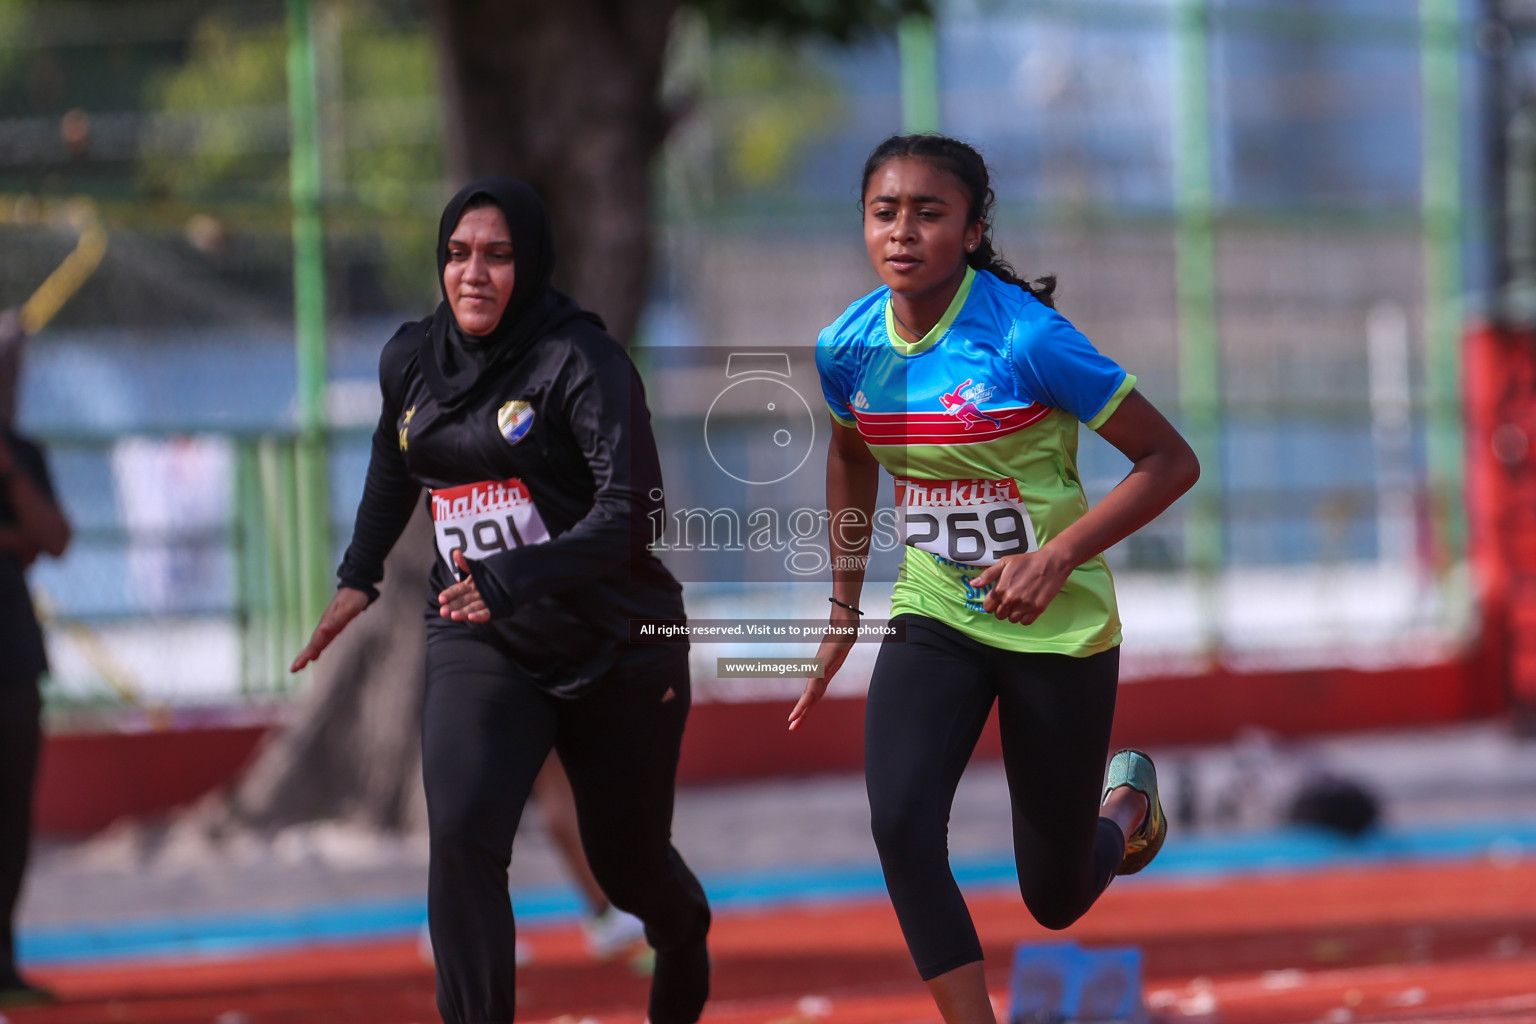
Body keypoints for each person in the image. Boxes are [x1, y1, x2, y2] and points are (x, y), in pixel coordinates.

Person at [790, 135, 1200, 1024]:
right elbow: (850, 457)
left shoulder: (1026, 337)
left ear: (973, 231)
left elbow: (1170, 461)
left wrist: (1056, 556)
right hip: (936, 609)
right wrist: (842, 606)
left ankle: (1126, 805)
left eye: (929, 213)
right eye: (884, 212)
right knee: (900, 824)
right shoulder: (847, 346)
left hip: (1056, 626)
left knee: (1054, 897)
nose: (903, 231)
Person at [291, 178, 709, 1024]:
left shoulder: (579, 361)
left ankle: (682, 923)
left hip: (619, 643)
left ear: (532, 263)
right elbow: (393, 456)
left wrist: (509, 575)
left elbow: (636, 515)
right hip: (482, 638)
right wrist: (358, 576)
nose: (472, 274)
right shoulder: (412, 359)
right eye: (456, 255)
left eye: (497, 256)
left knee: (627, 868)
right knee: (465, 841)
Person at [0, 310, 71, 1008]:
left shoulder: (22, 451)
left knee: (13, 818)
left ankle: (4, 957)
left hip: (15, 662)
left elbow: (54, 538)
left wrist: (8, 476)